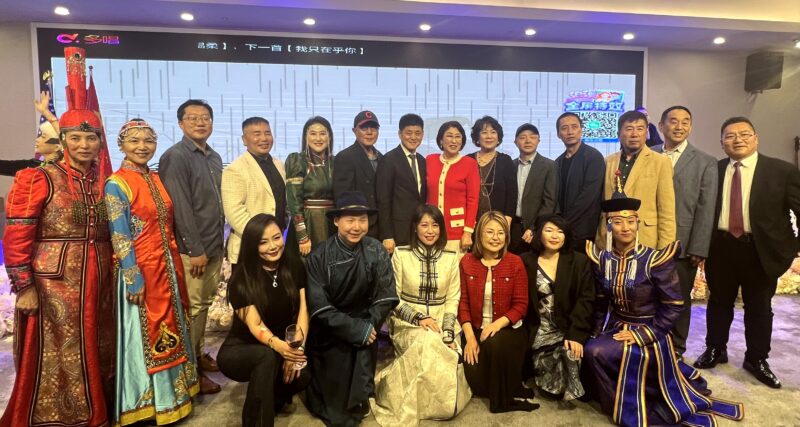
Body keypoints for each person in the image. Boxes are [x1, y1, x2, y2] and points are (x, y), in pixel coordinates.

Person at [1, 48, 114, 425]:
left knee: (97, 346)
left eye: (91, 138)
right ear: (63, 140)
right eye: (76, 138)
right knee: (59, 352)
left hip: (99, 281)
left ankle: (97, 411)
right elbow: (17, 236)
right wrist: (24, 287)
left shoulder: (101, 182)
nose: (84, 145)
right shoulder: (39, 178)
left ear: (100, 142)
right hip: (54, 284)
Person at [583, 181, 744, 427]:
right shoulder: (601, 259)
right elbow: (601, 302)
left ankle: (630, 404)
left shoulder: (655, 260)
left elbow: (674, 305)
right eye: (618, 222)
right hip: (617, 327)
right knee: (590, 349)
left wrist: (643, 334)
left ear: (638, 224)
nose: (625, 227)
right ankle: (616, 397)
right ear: (609, 226)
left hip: (651, 332)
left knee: (596, 352)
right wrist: (594, 332)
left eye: (630, 221)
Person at [694, 117, 800, 389]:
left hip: (760, 250)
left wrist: (793, 249)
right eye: (730, 136)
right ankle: (716, 348)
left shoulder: (782, 171)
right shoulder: (714, 170)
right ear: (722, 142)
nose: (738, 139)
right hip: (721, 247)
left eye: (744, 134)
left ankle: (757, 359)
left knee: (759, 307)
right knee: (719, 302)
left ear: (756, 138)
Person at [105, 119, 199, 425]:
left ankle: (176, 396)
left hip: (167, 265)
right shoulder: (116, 183)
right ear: (121, 145)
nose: (142, 146)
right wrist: (133, 277)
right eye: (134, 141)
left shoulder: (156, 178)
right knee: (147, 334)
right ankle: (147, 404)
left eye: (148, 140)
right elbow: (120, 235)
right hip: (141, 270)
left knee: (174, 327)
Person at [305, 191, 399, 426]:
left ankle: (360, 397)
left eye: (362, 220)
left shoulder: (376, 249)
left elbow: (385, 295)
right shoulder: (319, 256)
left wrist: (367, 326)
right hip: (331, 329)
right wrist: (352, 328)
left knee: (364, 343)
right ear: (337, 221)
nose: (357, 227)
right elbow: (318, 305)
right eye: (350, 220)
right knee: (333, 400)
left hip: (366, 321)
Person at [372, 205, 471, 425]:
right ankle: (419, 405)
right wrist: (419, 319)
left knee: (441, 343)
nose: (430, 230)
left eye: (435, 225)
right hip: (407, 323)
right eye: (424, 225)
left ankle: (440, 406)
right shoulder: (401, 254)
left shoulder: (451, 257)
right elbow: (393, 297)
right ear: (415, 227)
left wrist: (447, 331)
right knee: (427, 340)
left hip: (443, 320)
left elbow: (453, 298)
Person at [217, 214, 310, 426]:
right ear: (252, 245)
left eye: (276, 238)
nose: (273, 246)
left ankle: (269, 398)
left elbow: (303, 311)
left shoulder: (294, 265)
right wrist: (283, 350)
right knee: (265, 357)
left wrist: (295, 351)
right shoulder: (242, 278)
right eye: (263, 242)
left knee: (303, 375)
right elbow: (255, 325)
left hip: (279, 345)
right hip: (242, 348)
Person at [158, 99, 224, 394]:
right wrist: (194, 248)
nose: (200, 122)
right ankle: (191, 369)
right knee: (194, 308)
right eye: (193, 117)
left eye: (205, 117)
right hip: (194, 251)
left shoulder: (213, 157)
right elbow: (180, 208)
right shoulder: (175, 157)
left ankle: (198, 353)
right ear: (181, 123)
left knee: (205, 304)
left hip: (214, 245)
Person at [651, 106, 718, 357]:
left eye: (685, 122)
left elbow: (706, 207)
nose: (679, 126)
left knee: (678, 300)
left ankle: (676, 348)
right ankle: (652, 345)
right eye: (673, 121)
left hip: (683, 245)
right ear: (661, 126)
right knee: (649, 298)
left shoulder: (705, 162)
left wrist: (699, 247)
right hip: (649, 243)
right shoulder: (648, 154)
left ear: (690, 127)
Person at [458, 211, 536, 413]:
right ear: (479, 234)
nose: (495, 237)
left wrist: (497, 324)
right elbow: (462, 303)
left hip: (509, 330)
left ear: (507, 236)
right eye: (490, 232)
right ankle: (505, 384)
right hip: (476, 329)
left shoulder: (515, 262)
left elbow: (521, 305)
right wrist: (470, 338)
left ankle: (502, 402)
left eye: (501, 233)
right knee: (476, 381)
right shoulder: (466, 261)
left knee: (495, 342)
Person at [520, 214, 594, 409]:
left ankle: (571, 379)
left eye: (560, 231)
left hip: (568, 326)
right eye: (549, 230)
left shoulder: (579, 261)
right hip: (540, 328)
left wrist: (576, 334)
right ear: (539, 234)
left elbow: (586, 300)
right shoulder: (526, 261)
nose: (555, 236)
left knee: (570, 353)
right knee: (552, 386)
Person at [598, 110, 675, 250]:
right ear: (618, 134)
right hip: (610, 241)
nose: (635, 134)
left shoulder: (661, 162)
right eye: (629, 129)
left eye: (640, 129)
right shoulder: (608, 161)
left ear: (647, 133)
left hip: (645, 240)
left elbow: (667, 211)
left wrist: (665, 250)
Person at [222, 116, 287, 271]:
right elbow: (234, 213)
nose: (264, 138)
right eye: (257, 134)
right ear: (244, 140)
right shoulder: (234, 169)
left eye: (267, 133)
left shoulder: (279, 164)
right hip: (249, 247)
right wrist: (263, 238)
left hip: (276, 248)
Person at [376, 113, 428, 254]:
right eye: (408, 133)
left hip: (419, 230)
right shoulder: (389, 160)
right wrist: (387, 235)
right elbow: (383, 199)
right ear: (400, 134)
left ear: (423, 134)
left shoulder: (422, 161)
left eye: (417, 133)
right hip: (397, 232)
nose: (413, 137)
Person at [425, 121, 480, 254]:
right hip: (430, 231)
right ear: (441, 140)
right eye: (449, 136)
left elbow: (473, 200)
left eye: (458, 136)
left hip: (457, 233)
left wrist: (468, 232)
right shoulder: (430, 160)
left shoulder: (470, 164)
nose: (454, 141)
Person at [285, 116, 336, 258]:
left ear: (329, 137)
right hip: (309, 222)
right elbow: (294, 201)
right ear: (305, 137)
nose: (318, 138)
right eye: (313, 134)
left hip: (333, 223)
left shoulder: (336, 162)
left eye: (322, 133)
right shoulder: (298, 160)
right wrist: (302, 235)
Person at [554, 113, 605, 251]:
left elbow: (589, 195)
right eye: (564, 128)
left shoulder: (593, 156)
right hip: (563, 231)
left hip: (585, 230)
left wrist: (565, 222)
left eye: (574, 127)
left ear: (581, 130)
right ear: (558, 134)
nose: (570, 132)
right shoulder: (558, 162)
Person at [333, 110, 383, 239]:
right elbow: (342, 198)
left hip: (381, 227)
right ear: (354, 131)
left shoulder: (383, 158)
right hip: (357, 229)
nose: (369, 132)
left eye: (373, 128)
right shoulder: (345, 157)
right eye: (364, 128)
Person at [510, 123, 558, 254]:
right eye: (522, 137)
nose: (528, 141)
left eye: (532, 137)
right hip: (513, 228)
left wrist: (533, 228)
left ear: (538, 141)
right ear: (515, 142)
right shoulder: (510, 165)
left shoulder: (549, 166)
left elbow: (549, 202)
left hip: (536, 229)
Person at [466, 116, 517, 226]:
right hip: (471, 222)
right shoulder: (468, 160)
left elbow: (512, 194)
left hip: (498, 223)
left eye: (493, 132)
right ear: (477, 137)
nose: (489, 136)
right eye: (484, 132)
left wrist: (507, 220)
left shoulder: (505, 160)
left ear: (498, 137)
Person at [0, 92, 62, 176]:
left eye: (43, 137)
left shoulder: (65, 168)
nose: (37, 139)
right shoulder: (33, 165)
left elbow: (64, 137)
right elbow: (5, 166)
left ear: (57, 146)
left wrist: (46, 112)